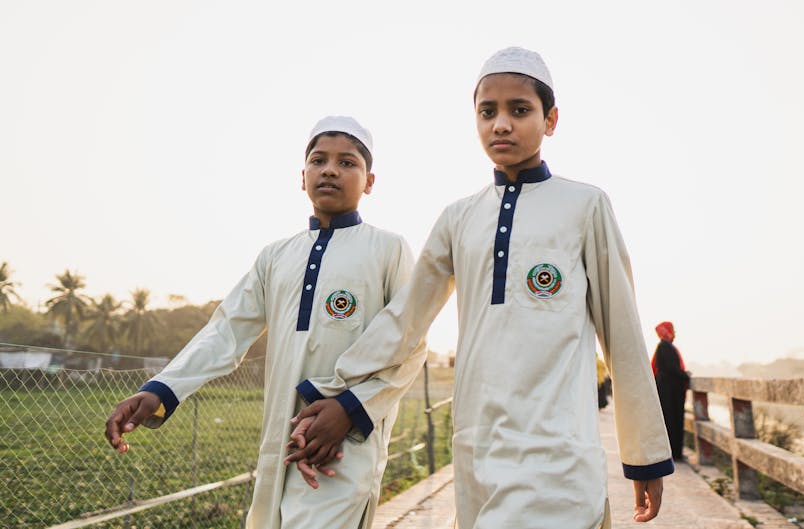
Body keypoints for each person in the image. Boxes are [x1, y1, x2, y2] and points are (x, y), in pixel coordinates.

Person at [285, 47, 674, 528]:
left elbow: (623, 333)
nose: (502, 124)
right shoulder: (459, 217)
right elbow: (405, 319)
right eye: (487, 112)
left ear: (550, 121)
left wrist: (645, 456)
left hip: (560, 450)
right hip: (477, 448)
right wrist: (345, 397)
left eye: (520, 110)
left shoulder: (585, 205)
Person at [103, 116, 424, 529]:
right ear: (302, 175)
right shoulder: (276, 256)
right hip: (280, 441)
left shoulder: (389, 249)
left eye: (347, 163)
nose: (330, 169)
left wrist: (349, 410)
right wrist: (160, 390)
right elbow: (226, 331)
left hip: (345, 445)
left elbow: (410, 344)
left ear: (370, 181)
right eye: (318, 160)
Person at [650, 321, 691, 462]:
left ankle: (672, 452)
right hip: (669, 391)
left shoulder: (664, 346)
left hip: (668, 390)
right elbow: (670, 368)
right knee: (672, 420)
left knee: (670, 420)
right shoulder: (664, 346)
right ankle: (674, 453)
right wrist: (685, 375)